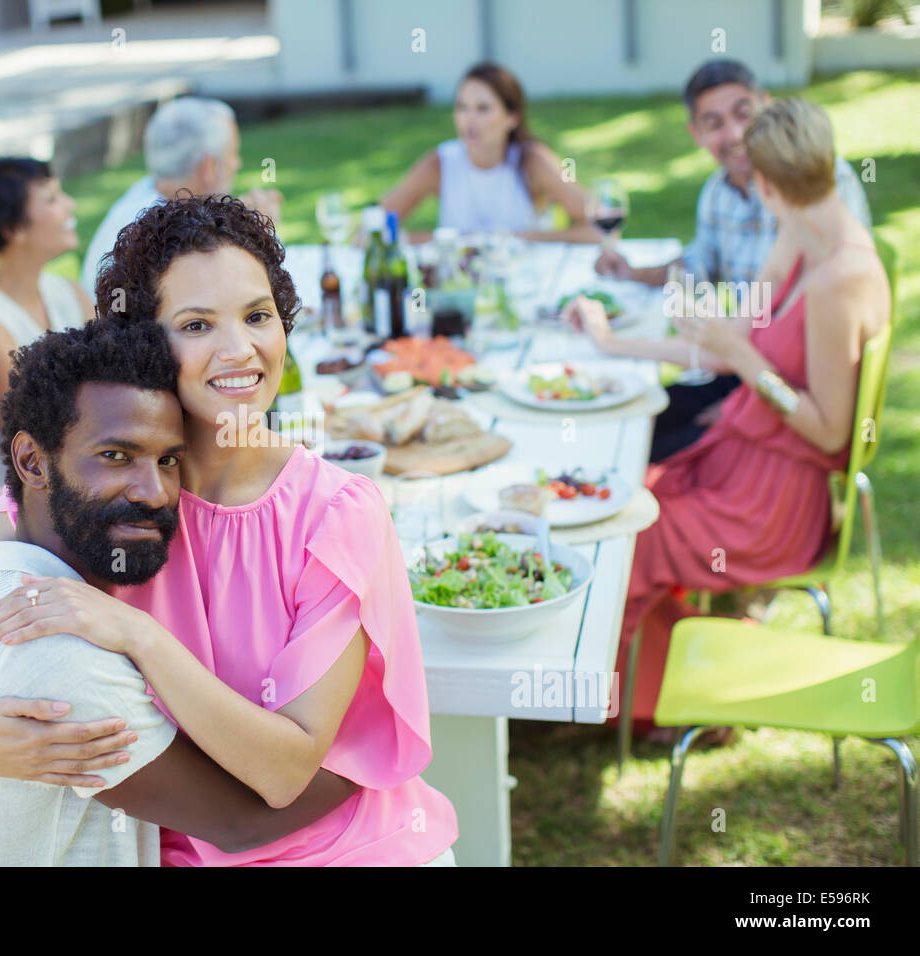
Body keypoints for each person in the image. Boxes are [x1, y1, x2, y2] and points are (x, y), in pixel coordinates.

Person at [0, 195, 458, 866]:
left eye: (257, 316)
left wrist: (136, 633)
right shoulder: (95, 496)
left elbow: (283, 773)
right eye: (196, 324)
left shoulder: (336, 517)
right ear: (144, 341)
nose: (239, 349)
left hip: (343, 848)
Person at [0, 318, 358, 865]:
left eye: (168, 460)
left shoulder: (2, 587)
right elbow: (241, 821)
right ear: (33, 461)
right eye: (116, 457)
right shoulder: (56, 655)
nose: (154, 492)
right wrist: (364, 767)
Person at [563, 98, 890, 737]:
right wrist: (614, 346)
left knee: (625, 534)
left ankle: (637, 698)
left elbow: (826, 427)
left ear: (765, 183)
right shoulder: (802, 233)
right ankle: (639, 677)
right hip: (738, 459)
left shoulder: (840, 278)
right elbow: (727, 339)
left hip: (774, 503)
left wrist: (741, 354)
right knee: (617, 501)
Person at [587, 59, 872, 462]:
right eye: (715, 122)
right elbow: (722, 325)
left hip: (775, 406)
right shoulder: (782, 226)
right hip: (749, 380)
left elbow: (809, 390)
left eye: (744, 115)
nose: (737, 135)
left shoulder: (818, 208)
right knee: (622, 428)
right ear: (697, 133)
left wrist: (745, 398)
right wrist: (621, 316)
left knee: (630, 453)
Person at [0, 157, 94, 485]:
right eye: (52, 199)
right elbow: (40, 437)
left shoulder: (67, 292)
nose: (69, 205)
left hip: (79, 474)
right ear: (14, 229)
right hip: (12, 500)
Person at [79, 97, 283, 292]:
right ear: (208, 167)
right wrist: (259, 236)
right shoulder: (164, 236)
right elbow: (236, 295)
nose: (237, 163)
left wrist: (239, 220)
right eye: (233, 154)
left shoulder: (146, 199)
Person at [381, 62, 599, 243]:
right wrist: (454, 241)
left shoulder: (532, 161)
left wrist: (522, 239)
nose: (469, 120)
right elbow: (371, 230)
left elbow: (599, 228)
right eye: (462, 107)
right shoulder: (440, 163)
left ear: (512, 117)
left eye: (483, 108)